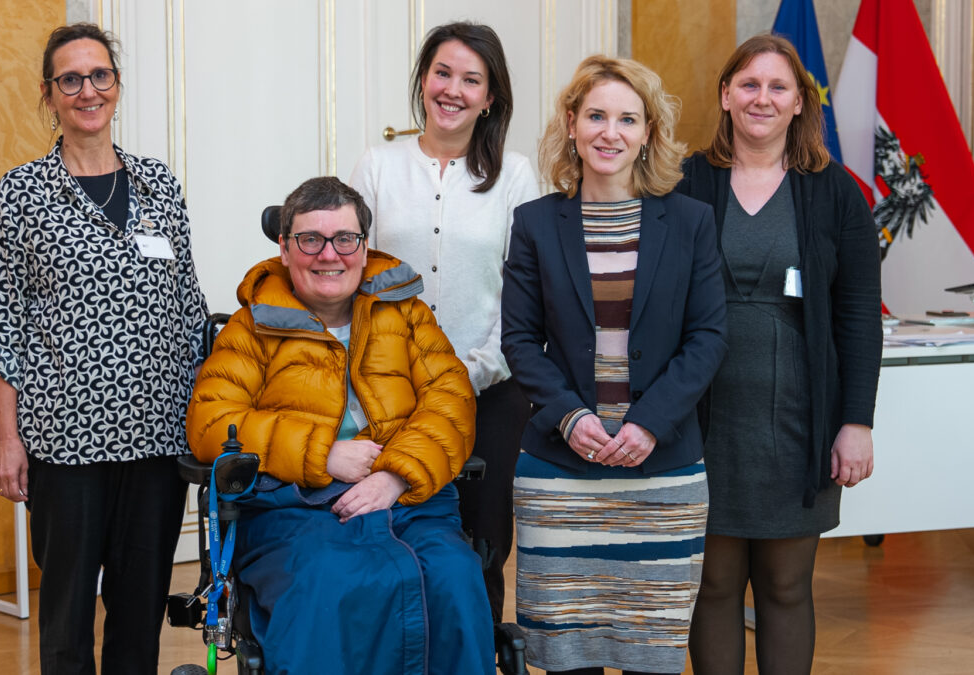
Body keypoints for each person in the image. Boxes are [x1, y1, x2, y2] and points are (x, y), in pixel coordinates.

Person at [186, 177, 494, 674]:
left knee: (453, 576)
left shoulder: (407, 313)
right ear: (285, 249)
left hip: (406, 499)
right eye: (310, 239)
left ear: (364, 246)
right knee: (333, 579)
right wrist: (322, 453)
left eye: (344, 239)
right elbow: (211, 422)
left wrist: (394, 475)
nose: (329, 255)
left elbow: (451, 401)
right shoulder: (252, 325)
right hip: (293, 510)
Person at [0, 23, 208, 674]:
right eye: (70, 79)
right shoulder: (20, 194)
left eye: (99, 75)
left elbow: (188, 304)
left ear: (117, 85)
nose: (87, 90)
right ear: (49, 95)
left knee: (139, 618)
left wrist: (204, 416)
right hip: (65, 438)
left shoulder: (159, 184)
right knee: (69, 618)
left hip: (158, 438)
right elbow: (1, 319)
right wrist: (6, 434)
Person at [501, 56, 728, 675]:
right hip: (560, 473)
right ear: (571, 124)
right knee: (566, 655)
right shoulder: (535, 223)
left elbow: (708, 336)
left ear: (648, 132)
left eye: (628, 119)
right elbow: (519, 340)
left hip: (662, 471)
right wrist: (570, 418)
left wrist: (649, 422)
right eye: (596, 115)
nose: (610, 132)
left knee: (651, 653)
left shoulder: (690, 222)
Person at [678, 34, 881, 675]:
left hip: (799, 416)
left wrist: (856, 421)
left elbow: (856, 316)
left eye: (778, 87)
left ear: (800, 103)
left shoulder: (835, 192)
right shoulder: (684, 182)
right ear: (725, 96)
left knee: (787, 588)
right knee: (711, 588)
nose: (761, 97)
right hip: (701, 415)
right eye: (748, 84)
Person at [350, 21, 539, 623]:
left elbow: (523, 292)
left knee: (479, 547)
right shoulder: (377, 166)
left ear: (490, 97)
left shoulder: (515, 176)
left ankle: (474, 655)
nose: (453, 89)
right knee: (389, 540)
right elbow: (350, 276)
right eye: (442, 73)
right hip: (386, 396)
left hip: (490, 393)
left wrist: (469, 371)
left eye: (471, 79)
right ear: (424, 81)